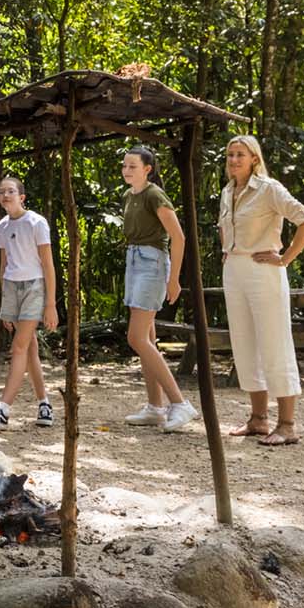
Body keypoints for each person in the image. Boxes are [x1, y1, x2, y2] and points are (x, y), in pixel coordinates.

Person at [217, 134, 304, 447]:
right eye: (230, 155)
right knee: (244, 343)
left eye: (240, 155)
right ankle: (258, 419)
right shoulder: (226, 191)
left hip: (265, 270)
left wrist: (285, 257)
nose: (234, 160)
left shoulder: (269, 189)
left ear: (254, 159)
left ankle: (287, 423)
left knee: (274, 342)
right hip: (234, 269)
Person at [116, 146, 196, 432]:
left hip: (153, 263)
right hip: (134, 260)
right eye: (125, 165)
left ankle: (180, 403)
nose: (127, 170)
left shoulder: (154, 194)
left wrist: (174, 279)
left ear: (148, 168)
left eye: (133, 166)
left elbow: (178, 236)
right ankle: (155, 407)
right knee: (146, 337)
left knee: (136, 337)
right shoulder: (129, 195)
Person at [0, 176, 57, 429]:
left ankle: (3, 408)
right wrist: (4, 304)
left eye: (11, 191)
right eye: (2, 192)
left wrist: (50, 304)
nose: (6, 195)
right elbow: (4, 264)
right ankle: (45, 404)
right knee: (29, 349)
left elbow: (48, 265)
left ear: (22, 197)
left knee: (18, 348)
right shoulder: (2, 226)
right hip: (11, 287)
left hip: (34, 287)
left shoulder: (36, 222)